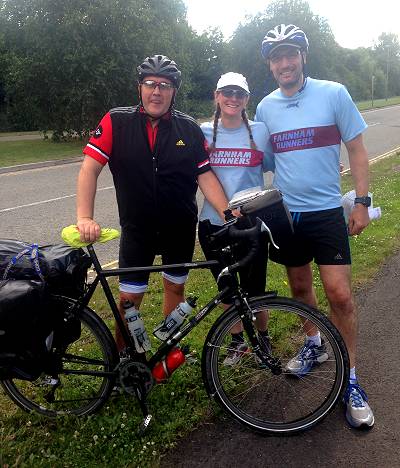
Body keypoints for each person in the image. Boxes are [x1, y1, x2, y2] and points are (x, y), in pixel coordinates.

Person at [256, 24, 374, 428]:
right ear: (270, 65)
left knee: (340, 295)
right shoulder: (265, 107)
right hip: (287, 214)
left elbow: (357, 149)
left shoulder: (333, 92)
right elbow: (265, 159)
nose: (284, 63)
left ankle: (352, 379)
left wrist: (361, 201)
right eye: (276, 57)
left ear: (303, 57)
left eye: (291, 54)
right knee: (301, 288)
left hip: (326, 212)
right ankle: (314, 344)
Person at [76, 54, 228, 351]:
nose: (156, 91)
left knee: (175, 288)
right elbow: (89, 169)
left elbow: (205, 175)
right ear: (140, 88)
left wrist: (228, 213)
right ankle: (122, 361)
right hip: (138, 230)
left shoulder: (188, 128)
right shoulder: (116, 121)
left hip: (179, 228)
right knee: (128, 301)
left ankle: (166, 355)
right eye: (150, 84)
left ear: (173, 92)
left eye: (165, 85)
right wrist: (85, 217)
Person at [198, 72, 274, 366]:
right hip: (213, 225)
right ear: (216, 96)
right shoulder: (202, 132)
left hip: (251, 225)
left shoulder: (261, 131)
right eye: (227, 92)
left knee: (256, 290)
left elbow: (280, 164)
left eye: (239, 94)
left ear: (247, 100)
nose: (233, 98)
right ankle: (238, 343)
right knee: (227, 289)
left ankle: (263, 338)